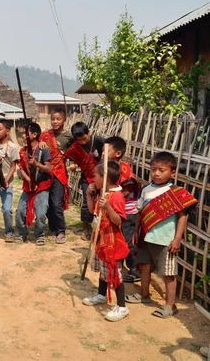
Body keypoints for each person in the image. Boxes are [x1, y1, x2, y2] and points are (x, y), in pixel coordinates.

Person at [126, 151, 197, 318]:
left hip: (166, 240)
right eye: (153, 169)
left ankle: (170, 305)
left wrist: (177, 238)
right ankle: (144, 295)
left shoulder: (176, 192)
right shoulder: (145, 189)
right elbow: (141, 213)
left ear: (172, 172)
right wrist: (136, 231)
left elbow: (182, 217)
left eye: (162, 170)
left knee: (168, 273)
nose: (156, 173)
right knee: (144, 266)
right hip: (146, 237)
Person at [82, 160, 130, 322]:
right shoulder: (103, 193)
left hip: (113, 242)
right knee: (103, 271)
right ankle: (101, 295)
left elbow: (118, 221)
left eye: (96, 175)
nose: (93, 178)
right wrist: (89, 194)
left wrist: (108, 207)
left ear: (106, 178)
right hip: (101, 239)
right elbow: (91, 211)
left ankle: (122, 306)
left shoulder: (116, 196)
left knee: (115, 273)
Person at [103, 136, 141, 283]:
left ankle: (135, 270)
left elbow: (126, 190)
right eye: (102, 150)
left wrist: (112, 200)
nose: (103, 153)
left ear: (118, 153)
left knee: (128, 240)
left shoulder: (123, 167)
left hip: (128, 210)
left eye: (107, 150)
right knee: (120, 238)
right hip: (116, 209)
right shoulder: (108, 167)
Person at [64, 122, 104, 241]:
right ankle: (86, 228)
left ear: (89, 133)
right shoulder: (74, 147)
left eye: (84, 138)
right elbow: (69, 157)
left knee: (103, 201)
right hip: (86, 177)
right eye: (79, 140)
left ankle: (102, 227)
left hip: (102, 177)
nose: (82, 142)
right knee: (87, 201)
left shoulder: (100, 142)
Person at [39, 108, 73, 244]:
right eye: (53, 119)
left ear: (64, 120)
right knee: (47, 203)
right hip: (45, 172)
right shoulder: (45, 135)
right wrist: (40, 143)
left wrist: (75, 165)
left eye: (58, 119)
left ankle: (61, 230)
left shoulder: (69, 137)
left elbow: (76, 151)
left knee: (56, 203)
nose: (55, 121)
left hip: (59, 173)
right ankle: (52, 228)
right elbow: (36, 148)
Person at [16, 123, 52, 245]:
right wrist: (29, 180)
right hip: (28, 186)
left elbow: (48, 168)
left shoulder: (43, 149)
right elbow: (21, 168)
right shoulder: (23, 151)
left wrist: (36, 164)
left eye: (26, 133)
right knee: (20, 211)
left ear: (35, 135)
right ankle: (22, 233)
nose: (23, 135)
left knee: (41, 213)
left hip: (42, 186)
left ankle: (39, 234)